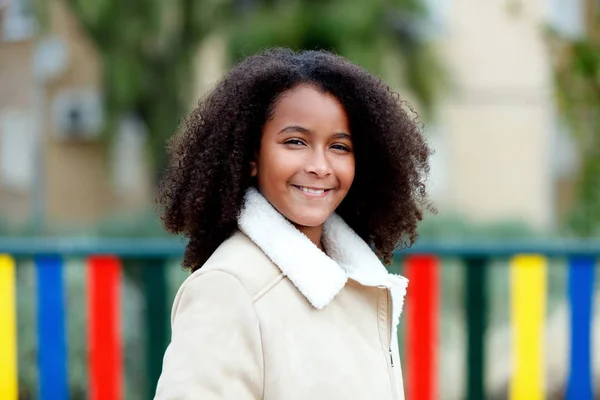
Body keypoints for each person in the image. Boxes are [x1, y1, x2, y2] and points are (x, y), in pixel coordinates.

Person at [153, 48, 432, 400]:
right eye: (295, 142)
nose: (320, 165)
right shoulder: (229, 287)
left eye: (340, 146)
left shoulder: (362, 281)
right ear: (252, 156)